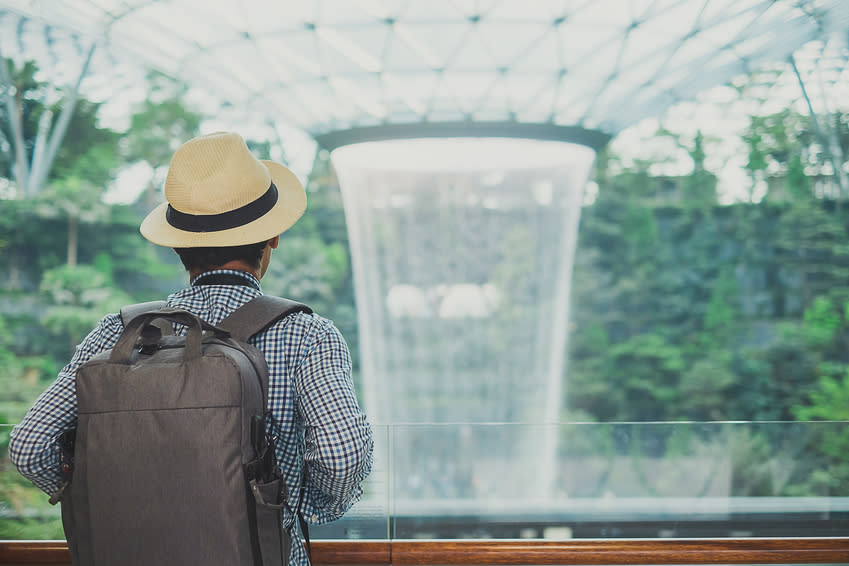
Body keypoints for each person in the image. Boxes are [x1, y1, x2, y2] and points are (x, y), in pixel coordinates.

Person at [9, 131, 374, 566]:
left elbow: (30, 445)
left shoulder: (118, 333)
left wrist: (98, 498)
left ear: (178, 245)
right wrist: (295, 505)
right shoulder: (307, 334)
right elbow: (341, 454)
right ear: (272, 237)